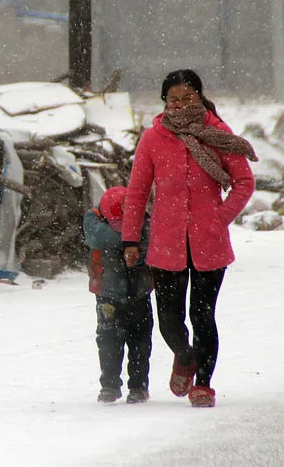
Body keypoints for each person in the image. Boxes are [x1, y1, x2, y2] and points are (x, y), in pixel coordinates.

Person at [121, 69, 257, 408]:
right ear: (165, 102)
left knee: (202, 314)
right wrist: (130, 239)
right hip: (166, 243)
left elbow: (244, 182)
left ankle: (204, 384)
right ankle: (184, 355)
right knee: (168, 318)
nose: (180, 106)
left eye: (187, 98)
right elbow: (137, 192)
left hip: (209, 243)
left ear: (199, 96)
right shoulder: (153, 139)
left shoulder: (218, 134)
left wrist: (219, 218)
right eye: (174, 100)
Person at [83, 186, 153, 404]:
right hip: (107, 294)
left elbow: (151, 241)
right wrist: (131, 235)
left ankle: (138, 387)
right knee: (108, 341)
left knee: (140, 342)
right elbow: (100, 239)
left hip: (139, 291)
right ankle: (110, 385)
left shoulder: (146, 220)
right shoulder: (93, 220)